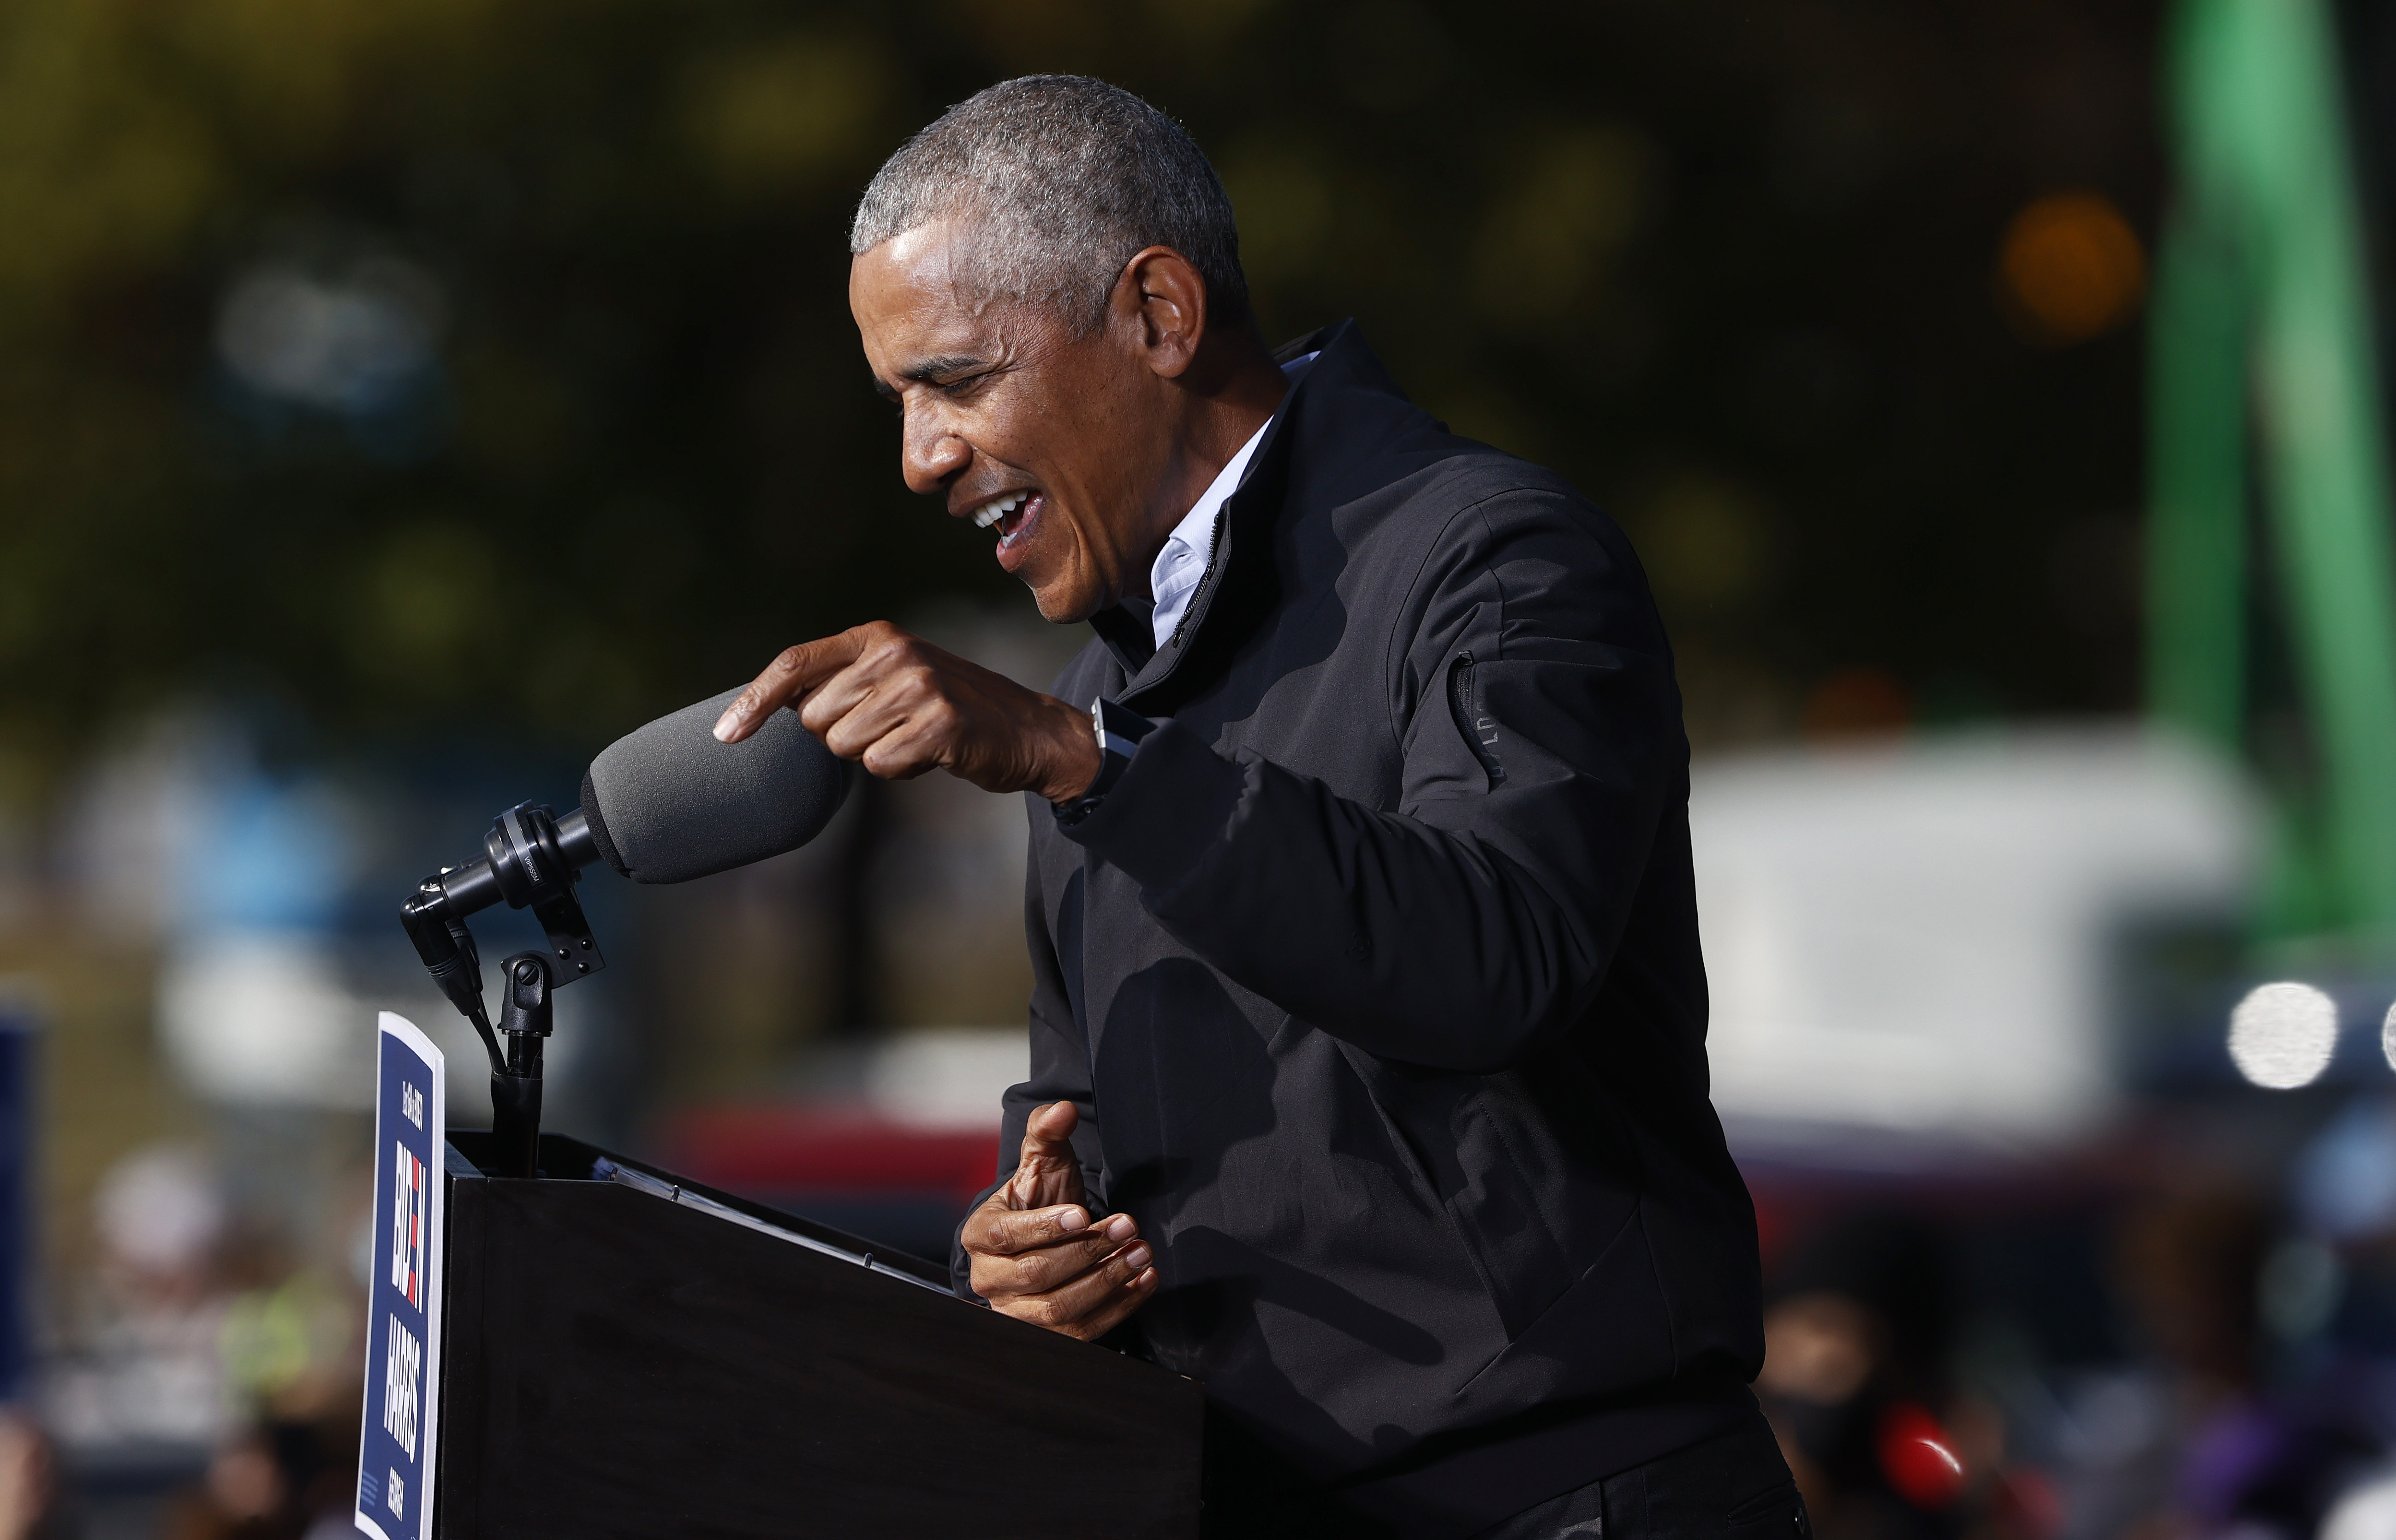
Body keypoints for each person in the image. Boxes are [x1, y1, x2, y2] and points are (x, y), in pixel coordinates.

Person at [715, 74, 1798, 1540]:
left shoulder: (1492, 558)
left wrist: (1082, 759)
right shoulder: (1096, 699)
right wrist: (1023, 1253)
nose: (919, 457)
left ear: (1158, 315)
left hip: (1569, 1494)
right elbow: (1074, 1106)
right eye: (900, 401)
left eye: (957, 380)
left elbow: (1494, 958)